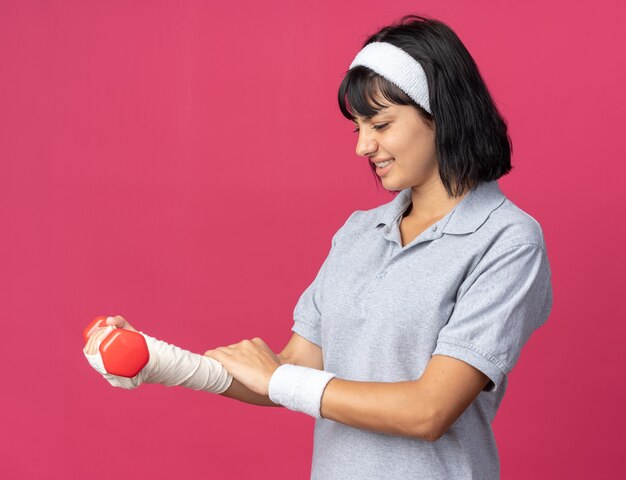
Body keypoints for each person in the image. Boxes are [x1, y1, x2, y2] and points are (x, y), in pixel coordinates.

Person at [84, 13, 553, 480]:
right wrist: (156, 358)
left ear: (443, 113)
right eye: (358, 128)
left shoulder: (506, 239)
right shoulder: (358, 234)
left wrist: (282, 379)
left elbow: (428, 411)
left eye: (381, 124)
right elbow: (288, 371)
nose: (363, 147)